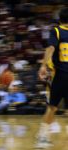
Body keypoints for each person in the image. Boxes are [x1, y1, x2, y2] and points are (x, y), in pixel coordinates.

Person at [36, 7, 68, 148]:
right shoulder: (57, 31)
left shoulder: (56, 31)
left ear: (60, 18)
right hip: (62, 74)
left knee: (52, 107)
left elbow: (50, 49)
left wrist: (43, 66)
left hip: (61, 75)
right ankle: (43, 136)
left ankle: (43, 137)